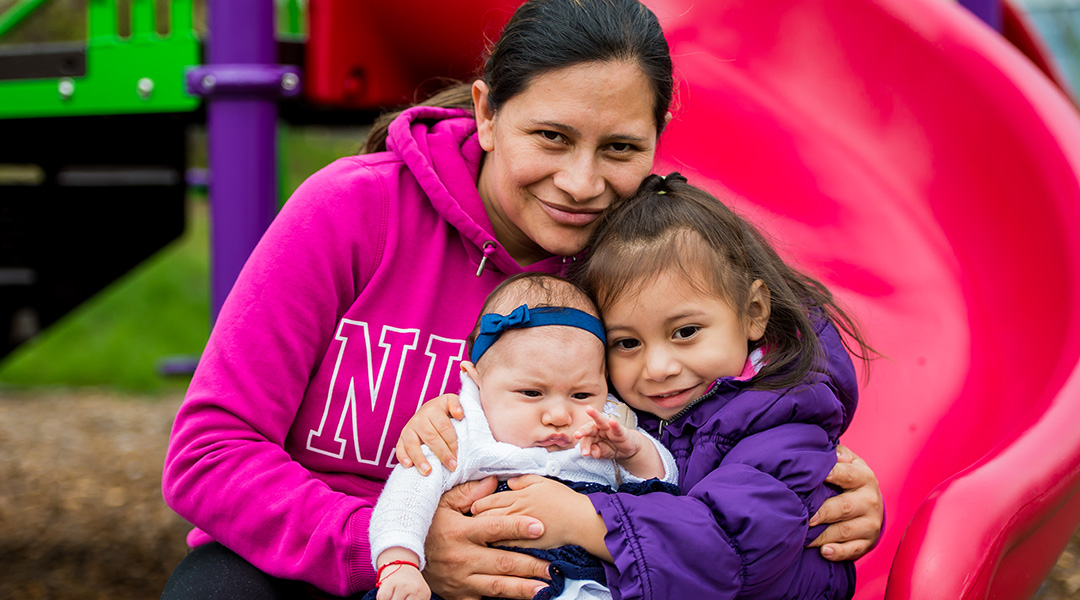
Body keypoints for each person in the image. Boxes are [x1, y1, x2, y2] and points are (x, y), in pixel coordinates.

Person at [160, 0, 883, 598]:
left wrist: (821, 493)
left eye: (620, 149)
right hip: (330, 566)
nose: (580, 182)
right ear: (486, 113)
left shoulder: (634, 272)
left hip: (542, 572)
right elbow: (208, 455)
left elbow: (721, 423)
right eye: (551, 136)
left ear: (657, 141)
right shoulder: (352, 212)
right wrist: (397, 546)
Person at [398, 173, 873, 598]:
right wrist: (460, 414)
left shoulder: (784, 419)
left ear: (753, 313)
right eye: (627, 342)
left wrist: (584, 518)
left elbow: (726, 548)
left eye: (685, 332)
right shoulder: (625, 409)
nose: (658, 367)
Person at [370, 273, 678, 600]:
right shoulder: (462, 433)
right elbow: (407, 494)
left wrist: (635, 453)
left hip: (582, 581)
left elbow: (665, 487)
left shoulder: (607, 433)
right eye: (531, 393)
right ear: (476, 382)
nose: (559, 416)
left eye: (582, 394)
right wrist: (399, 562)